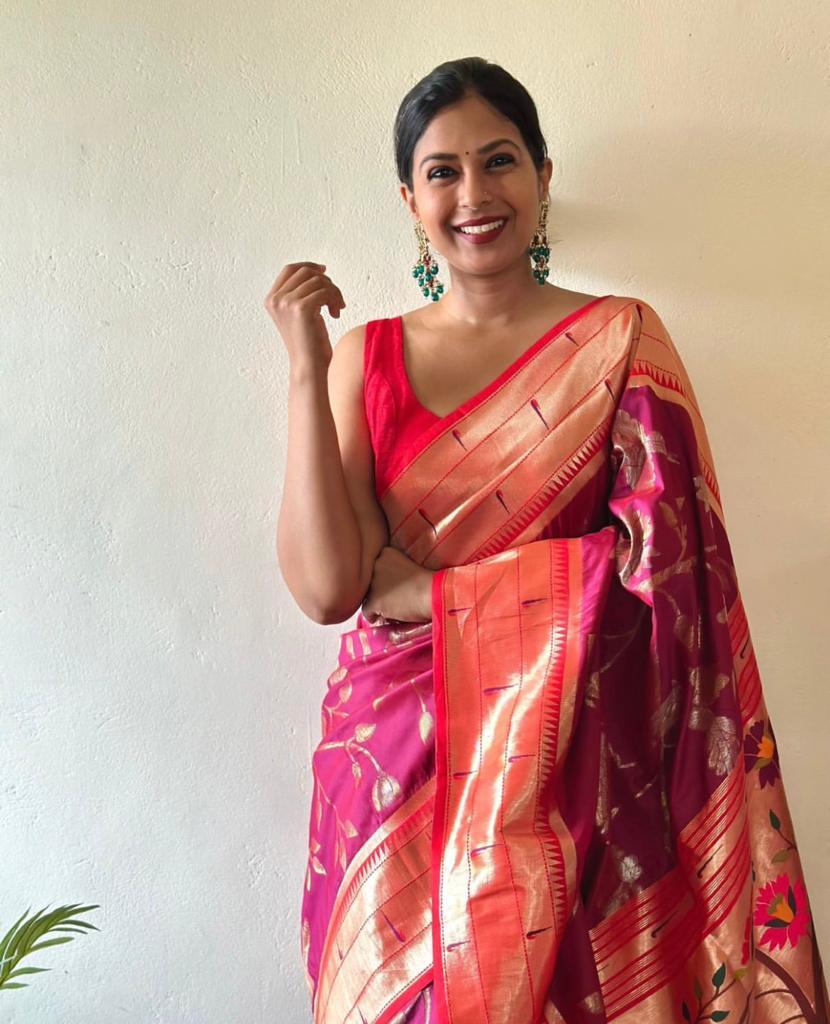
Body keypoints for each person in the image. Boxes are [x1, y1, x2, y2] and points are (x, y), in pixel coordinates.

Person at [266, 57, 829, 1024]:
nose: (475, 195)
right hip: (396, 779)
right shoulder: (369, 359)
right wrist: (305, 369)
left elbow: (680, 581)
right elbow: (328, 590)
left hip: (577, 787)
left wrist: (432, 594)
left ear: (543, 176)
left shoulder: (620, 343)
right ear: (410, 198)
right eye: (443, 171)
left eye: (500, 161)